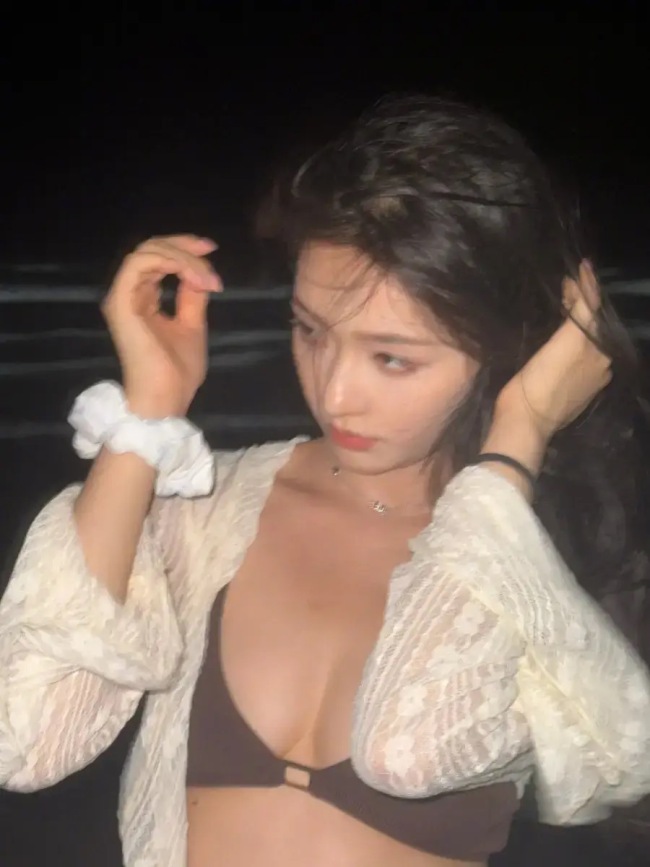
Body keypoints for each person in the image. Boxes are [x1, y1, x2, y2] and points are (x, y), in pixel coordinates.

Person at [2, 95, 650, 867]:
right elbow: (26, 739)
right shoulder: (213, 509)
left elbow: (409, 749)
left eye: (392, 357)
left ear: (505, 348)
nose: (334, 391)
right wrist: (146, 417)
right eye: (309, 329)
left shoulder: (541, 557)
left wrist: (521, 431)